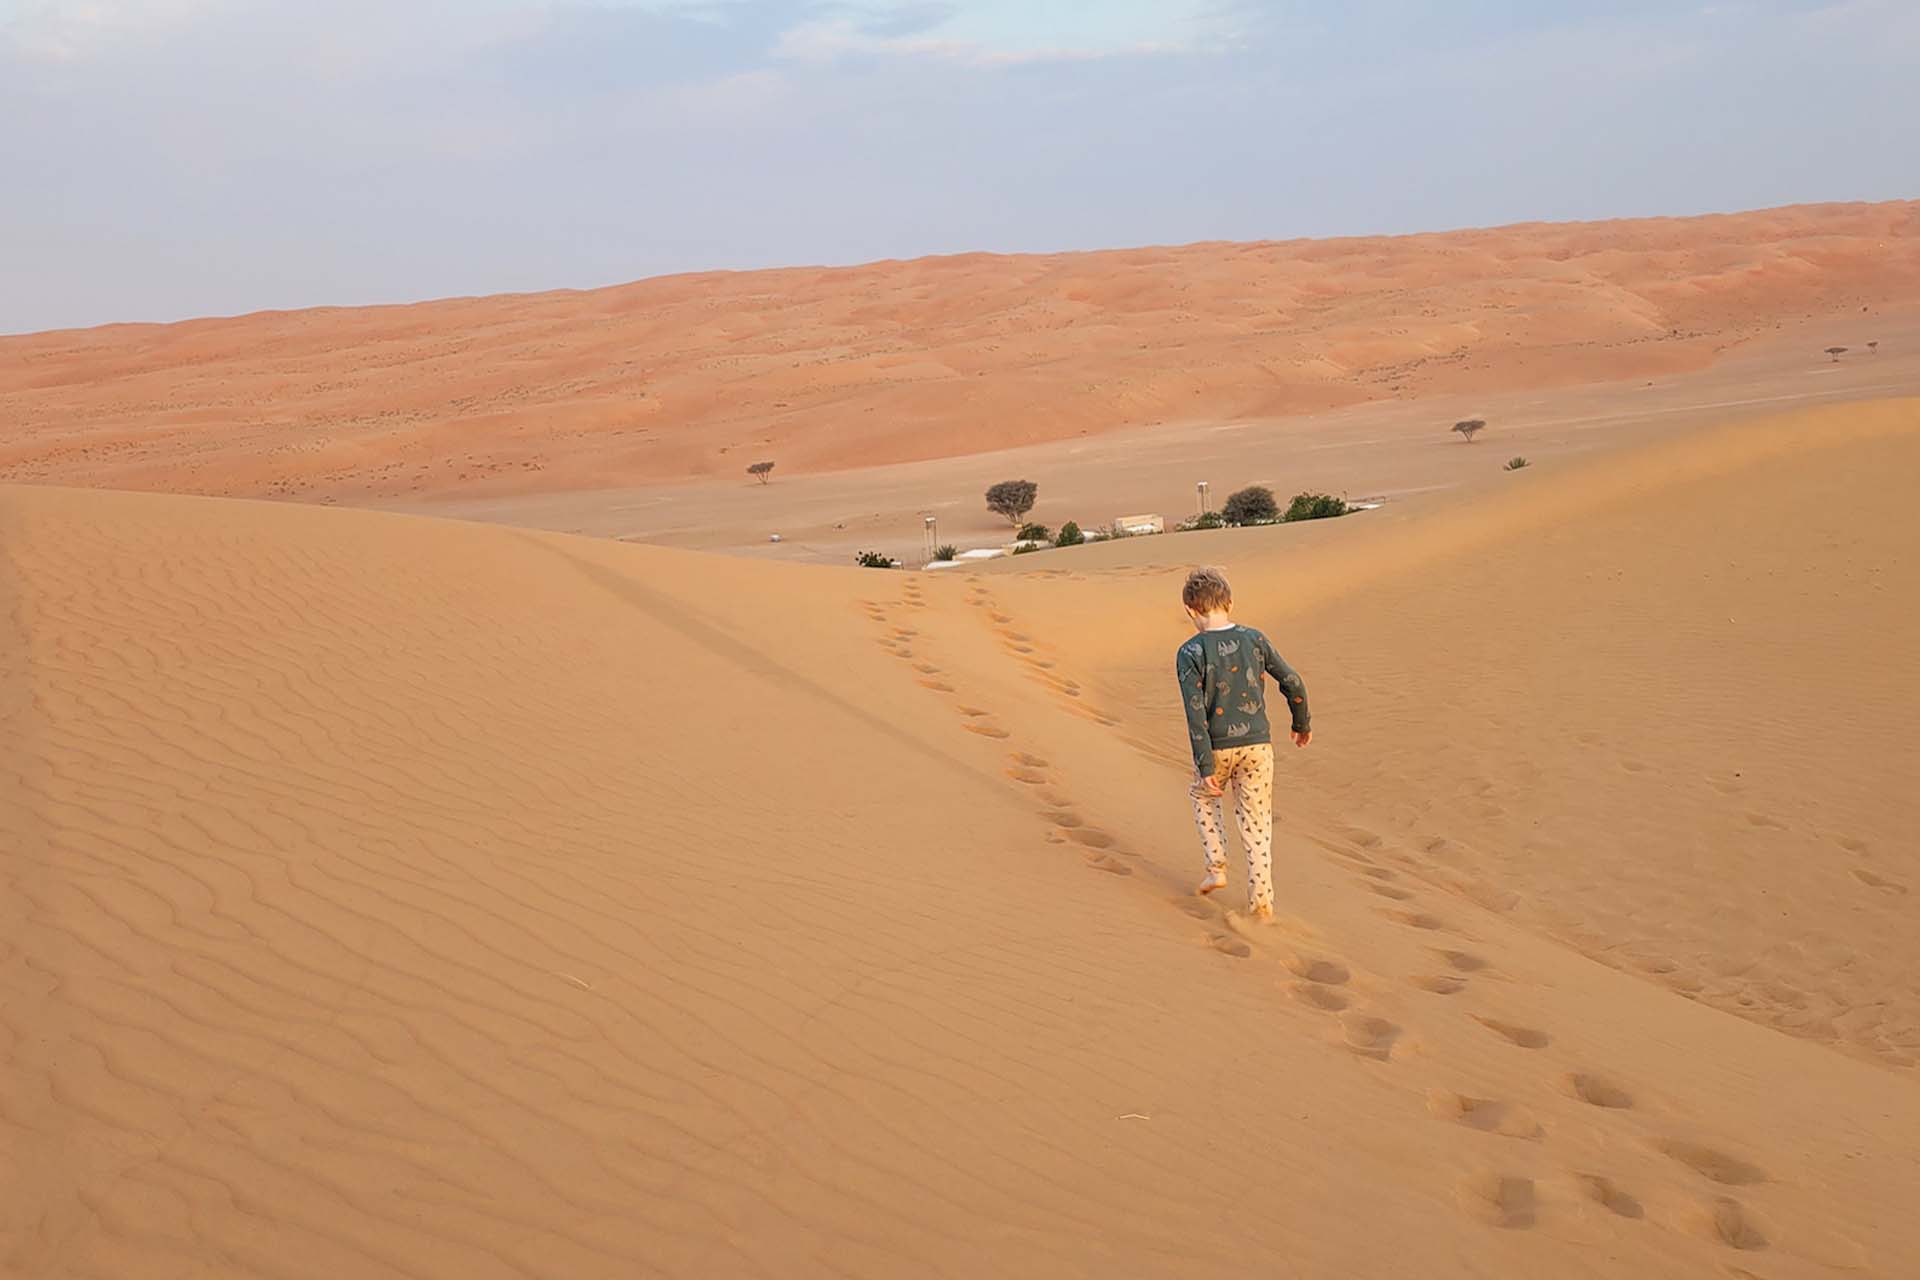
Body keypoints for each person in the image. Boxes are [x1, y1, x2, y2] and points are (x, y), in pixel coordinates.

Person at [1175, 567, 1311, 921]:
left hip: (1217, 747)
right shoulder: (1255, 640)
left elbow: (1195, 715)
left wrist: (1205, 767)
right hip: (1258, 748)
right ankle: (1262, 904)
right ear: (1231, 603)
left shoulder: (1190, 651)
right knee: (1257, 824)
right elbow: (1293, 681)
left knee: (1202, 796)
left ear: (1190, 610)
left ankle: (1217, 865)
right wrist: (1301, 723)